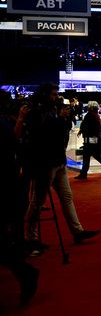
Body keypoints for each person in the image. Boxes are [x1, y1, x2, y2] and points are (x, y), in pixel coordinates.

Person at [24, 95, 100, 253]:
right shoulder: (43, 116)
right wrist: (60, 119)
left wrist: (63, 119)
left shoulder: (56, 118)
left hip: (59, 161)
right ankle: (30, 238)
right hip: (47, 163)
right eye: (53, 94)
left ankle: (77, 231)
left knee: (67, 197)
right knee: (38, 200)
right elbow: (45, 136)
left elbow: (62, 138)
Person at [0, 90, 38, 305]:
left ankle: (25, 271)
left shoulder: (4, 124)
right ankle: (25, 271)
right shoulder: (5, 122)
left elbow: (12, 142)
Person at [75, 102, 101, 179]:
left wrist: (82, 131)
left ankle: (84, 173)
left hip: (90, 139)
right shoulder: (95, 115)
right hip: (93, 139)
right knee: (95, 156)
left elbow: (86, 126)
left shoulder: (90, 115)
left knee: (89, 156)